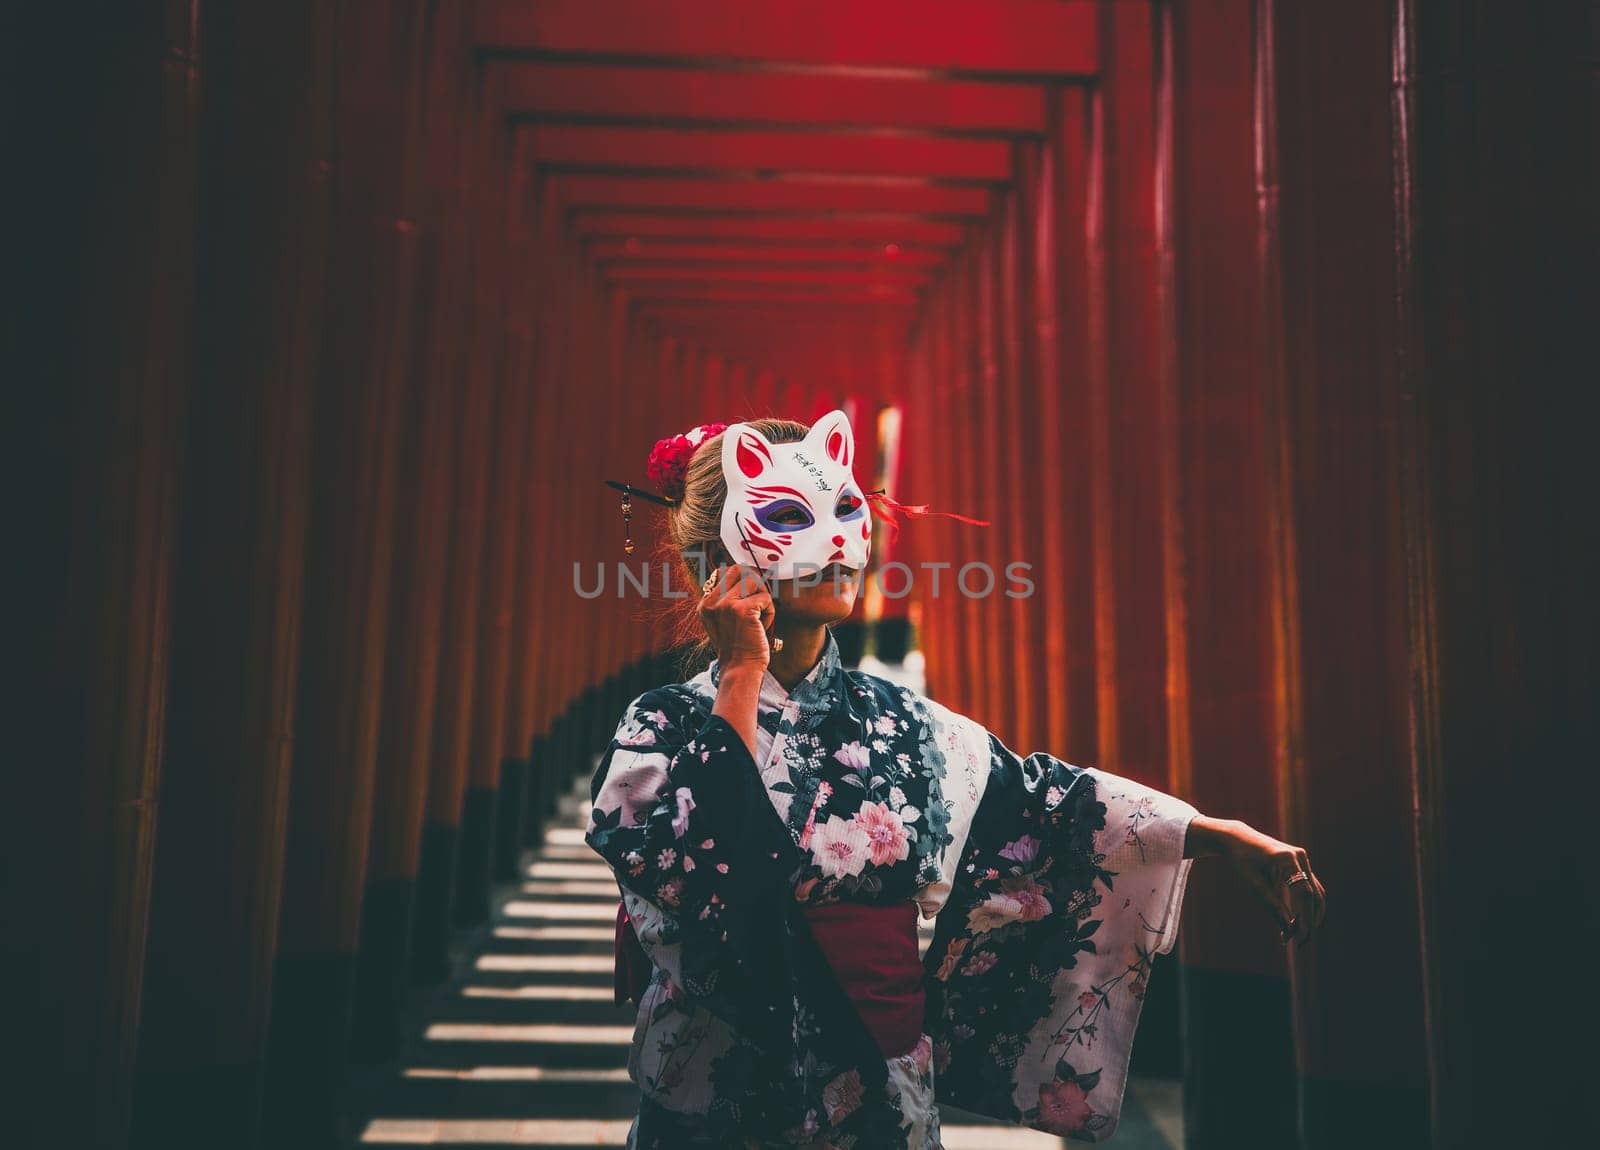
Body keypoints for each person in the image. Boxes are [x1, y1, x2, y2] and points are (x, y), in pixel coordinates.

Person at [587, 412, 1326, 1148]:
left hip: (878, 1093)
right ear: (710, 559)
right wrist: (742, 673)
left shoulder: (902, 722)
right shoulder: (661, 727)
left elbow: (1044, 801)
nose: (837, 541)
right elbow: (696, 881)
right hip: (716, 1094)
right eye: (788, 516)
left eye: (848, 509)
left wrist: (1214, 835)